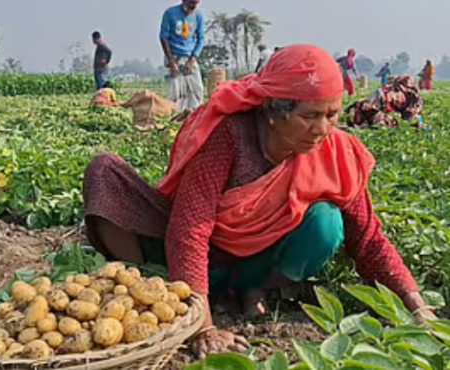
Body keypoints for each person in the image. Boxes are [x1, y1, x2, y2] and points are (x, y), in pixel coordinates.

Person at [82, 44, 436, 359]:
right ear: (273, 111)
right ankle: (156, 288)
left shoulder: (335, 152)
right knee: (104, 173)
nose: (323, 129)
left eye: (332, 114)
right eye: (310, 116)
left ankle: (253, 289)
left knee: (327, 223)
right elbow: (190, 228)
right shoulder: (229, 135)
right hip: (190, 261)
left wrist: (415, 303)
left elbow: (368, 238)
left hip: (257, 264)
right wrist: (202, 327)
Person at [159, 0, 205, 111]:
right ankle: (176, 121)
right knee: (175, 94)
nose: (193, 7)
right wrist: (171, 62)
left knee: (197, 92)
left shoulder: (198, 16)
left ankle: (195, 119)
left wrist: (192, 59)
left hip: (189, 58)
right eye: (191, 4)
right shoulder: (170, 13)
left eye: (195, 4)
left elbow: (201, 39)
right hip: (174, 57)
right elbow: (163, 37)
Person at [345, 75, 423, 128]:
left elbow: (414, 117)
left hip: (381, 99)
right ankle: (358, 113)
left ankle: (358, 113)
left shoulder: (413, 99)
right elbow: (413, 117)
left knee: (375, 115)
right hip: (381, 100)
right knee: (381, 118)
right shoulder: (412, 98)